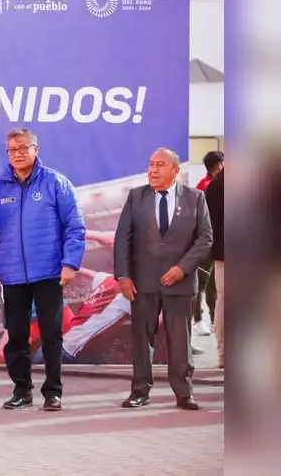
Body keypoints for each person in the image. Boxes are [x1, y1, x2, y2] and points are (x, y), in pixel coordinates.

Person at [0, 128, 85, 411]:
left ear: (36, 149)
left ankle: (53, 392)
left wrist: (70, 263)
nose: (17, 154)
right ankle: (21, 390)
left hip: (49, 272)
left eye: (23, 148)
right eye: (12, 150)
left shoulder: (55, 183)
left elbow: (74, 226)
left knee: (51, 335)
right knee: (17, 337)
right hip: (11, 275)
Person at [115, 148, 212, 411]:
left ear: (175, 171)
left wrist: (182, 268)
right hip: (142, 282)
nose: (153, 170)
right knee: (141, 340)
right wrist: (123, 276)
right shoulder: (136, 197)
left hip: (179, 283)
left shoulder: (195, 198)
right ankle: (139, 391)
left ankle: (183, 393)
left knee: (180, 341)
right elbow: (122, 238)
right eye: (150, 164)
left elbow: (205, 238)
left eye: (160, 165)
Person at [193, 151, 223, 337]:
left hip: (216, 243)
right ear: (219, 164)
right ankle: (198, 320)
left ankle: (213, 318)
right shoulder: (207, 186)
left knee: (214, 284)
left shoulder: (214, 184)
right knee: (200, 283)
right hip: (205, 242)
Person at [203, 164, 224, 368]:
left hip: (222, 254)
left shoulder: (214, 186)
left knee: (223, 303)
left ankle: (223, 355)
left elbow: (207, 224)